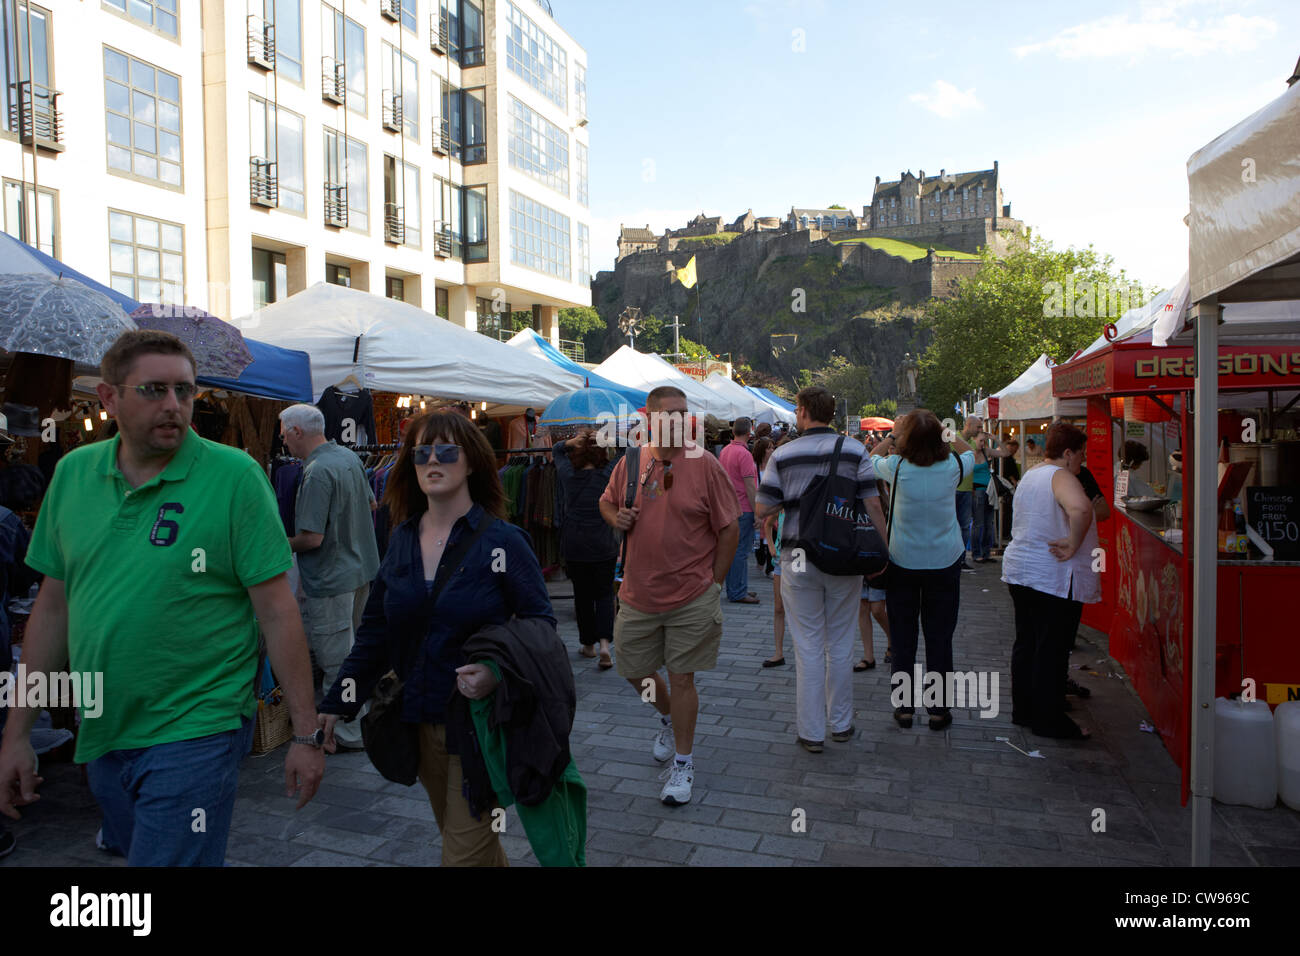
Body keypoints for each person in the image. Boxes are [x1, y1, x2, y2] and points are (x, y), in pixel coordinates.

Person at [0, 330, 323, 866]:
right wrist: (17, 732)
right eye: (154, 390)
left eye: (185, 391)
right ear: (108, 398)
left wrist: (307, 734)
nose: (175, 406)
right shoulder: (74, 474)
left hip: (200, 723)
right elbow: (53, 607)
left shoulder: (235, 476)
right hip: (103, 722)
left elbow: (278, 609)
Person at [317, 410, 556, 865]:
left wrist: (494, 670)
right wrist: (337, 702)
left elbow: (539, 625)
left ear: (471, 463)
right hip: (418, 720)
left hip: (482, 725)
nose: (433, 459)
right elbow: (375, 632)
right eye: (421, 451)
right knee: (465, 840)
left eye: (446, 450)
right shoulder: (401, 539)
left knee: (462, 855)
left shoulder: (503, 542)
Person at [598, 386, 739, 805]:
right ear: (651, 418)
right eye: (671, 413)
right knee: (631, 669)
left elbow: (729, 527)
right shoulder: (631, 461)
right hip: (638, 592)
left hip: (692, 594)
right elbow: (604, 503)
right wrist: (615, 516)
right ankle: (666, 717)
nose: (681, 420)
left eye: (685, 413)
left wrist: (714, 583)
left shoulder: (705, 464)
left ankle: (683, 763)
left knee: (682, 677)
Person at [755, 387, 887, 752]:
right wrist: (882, 550)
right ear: (831, 414)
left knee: (808, 644)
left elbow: (762, 508)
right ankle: (841, 723)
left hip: (798, 555)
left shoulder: (782, 454)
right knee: (842, 640)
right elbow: (872, 503)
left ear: (801, 412)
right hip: (844, 555)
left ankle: (811, 731)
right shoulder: (855, 450)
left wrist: (789, 503)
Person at [279, 404, 382, 751]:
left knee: (337, 657)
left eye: (283, 434)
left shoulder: (317, 471)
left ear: (296, 432)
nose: (283, 443)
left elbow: (312, 539)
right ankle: (356, 722)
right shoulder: (348, 457)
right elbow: (371, 505)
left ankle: (347, 732)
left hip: (332, 576)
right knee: (354, 653)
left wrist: (277, 543)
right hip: (360, 569)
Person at [870, 411, 974, 731]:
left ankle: (904, 708)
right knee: (940, 638)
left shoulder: (897, 468)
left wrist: (890, 438)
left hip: (903, 563)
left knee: (904, 639)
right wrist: (943, 430)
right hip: (945, 563)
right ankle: (939, 710)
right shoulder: (953, 467)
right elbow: (968, 449)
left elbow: (865, 459)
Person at [1001, 422, 1100, 739]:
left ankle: (1025, 710)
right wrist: (1073, 542)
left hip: (1023, 571)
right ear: (1068, 453)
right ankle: (1048, 718)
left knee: (1028, 643)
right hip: (1052, 576)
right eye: (1081, 455)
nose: (1082, 461)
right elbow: (1082, 508)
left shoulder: (1032, 475)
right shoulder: (1061, 476)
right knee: (1051, 648)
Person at [553, 428, 617, 669]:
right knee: (603, 594)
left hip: (575, 544)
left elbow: (556, 452)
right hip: (602, 542)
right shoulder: (606, 475)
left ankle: (588, 645)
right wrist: (608, 439)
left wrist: (570, 442)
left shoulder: (568, 474)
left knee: (582, 596)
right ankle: (603, 645)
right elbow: (628, 451)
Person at [720, 417, 760, 605]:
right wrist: (758, 511)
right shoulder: (744, 454)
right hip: (743, 507)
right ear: (749, 432)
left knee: (733, 550)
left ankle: (737, 586)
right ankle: (737, 591)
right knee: (740, 552)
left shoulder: (726, 451)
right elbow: (750, 486)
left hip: (729, 506)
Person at [954, 416, 981, 570]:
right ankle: (953, 558)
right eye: (977, 427)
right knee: (953, 525)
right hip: (954, 489)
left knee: (964, 526)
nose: (979, 430)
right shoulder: (953, 438)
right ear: (968, 425)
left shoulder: (971, 443)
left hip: (966, 490)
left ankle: (962, 559)